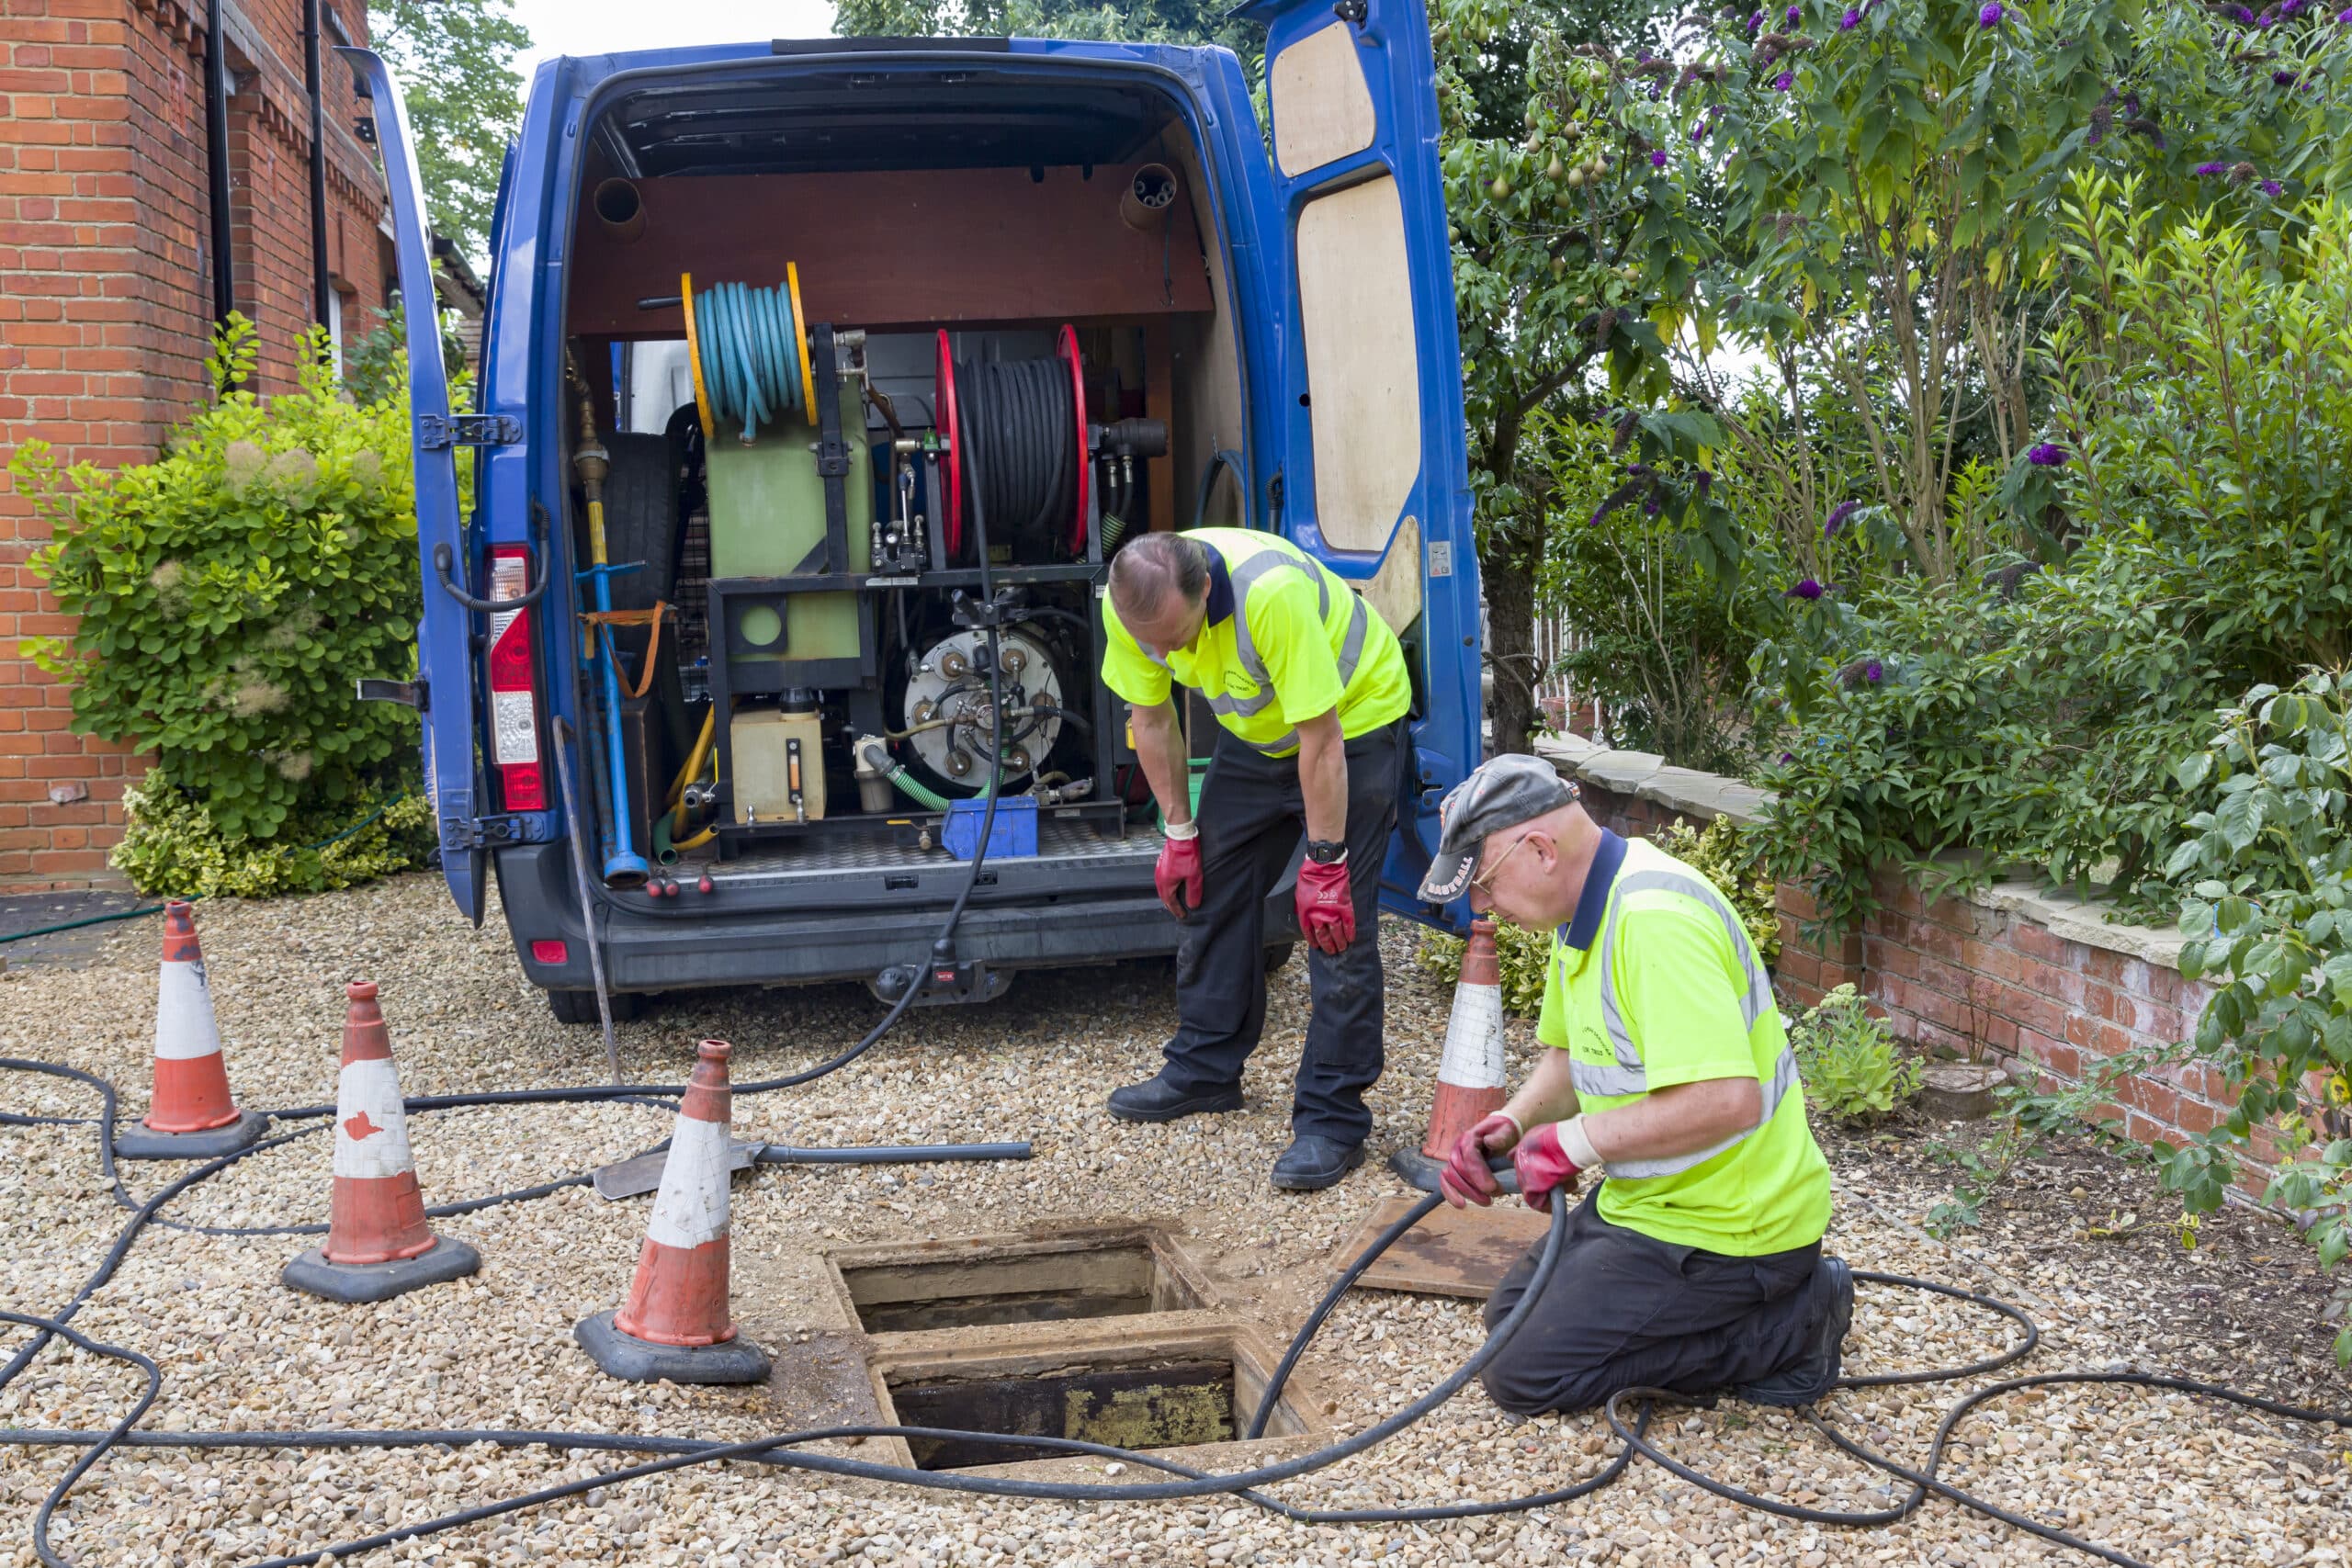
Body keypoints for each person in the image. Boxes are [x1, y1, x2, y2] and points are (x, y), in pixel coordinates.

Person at [1417, 753, 1852, 1414]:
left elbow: (1728, 1098)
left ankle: (1793, 1325)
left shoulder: (1653, 922)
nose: (1482, 905)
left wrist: (1574, 1143)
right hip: (1657, 1204)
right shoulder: (1584, 909)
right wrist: (1514, 1123)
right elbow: (1571, 1062)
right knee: (1508, 1314)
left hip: (1735, 1229)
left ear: (1539, 849)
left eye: (1485, 883)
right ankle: (1761, 1314)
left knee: (1521, 1373)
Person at [1098, 528, 1413, 1190]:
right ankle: (1205, 1069)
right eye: (1146, 640)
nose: (1159, 652)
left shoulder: (1270, 595)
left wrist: (1324, 862)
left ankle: (1332, 1118)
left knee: (1336, 923)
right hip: (1259, 733)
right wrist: (1179, 832)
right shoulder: (1130, 603)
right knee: (1207, 885)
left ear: (1205, 590)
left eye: (1172, 638)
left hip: (1350, 723)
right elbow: (1151, 719)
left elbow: (1321, 739)